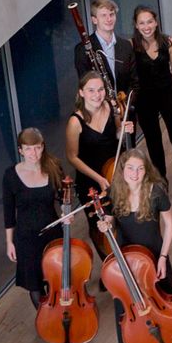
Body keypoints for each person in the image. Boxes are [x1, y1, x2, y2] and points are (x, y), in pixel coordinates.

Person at [97, 149, 172, 343]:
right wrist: (105, 224)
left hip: (154, 262)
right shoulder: (114, 194)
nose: (135, 173)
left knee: (160, 317)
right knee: (131, 319)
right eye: (130, 168)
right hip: (125, 268)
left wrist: (163, 257)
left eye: (140, 168)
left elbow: (170, 223)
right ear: (122, 170)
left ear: (146, 170)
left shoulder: (156, 192)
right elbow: (110, 221)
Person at [65, 72, 132, 257]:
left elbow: (116, 135)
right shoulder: (75, 122)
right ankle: (108, 261)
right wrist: (99, 179)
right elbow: (72, 157)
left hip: (114, 172)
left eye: (100, 89)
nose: (97, 94)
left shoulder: (111, 106)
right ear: (81, 92)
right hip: (91, 182)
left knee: (123, 217)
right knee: (100, 227)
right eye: (91, 90)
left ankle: (129, 255)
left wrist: (123, 130)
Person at [130, 7, 172, 196]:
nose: (146, 26)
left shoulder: (169, 42)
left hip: (169, 95)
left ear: (156, 22)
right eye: (142, 23)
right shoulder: (131, 46)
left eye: (150, 21)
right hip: (144, 100)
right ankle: (161, 179)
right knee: (153, 141)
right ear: (136, 25)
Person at [3, 128, 62, 308]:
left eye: (37, 148)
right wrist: (9, 242)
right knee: (35, 286)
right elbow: (8, 212)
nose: (33, 153)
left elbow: (63, 197)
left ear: (42, 147)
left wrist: (67, 214)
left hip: (52, 234)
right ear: (20, 150)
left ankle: (61, 315)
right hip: (26, 238)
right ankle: (46, 319)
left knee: (57, 280)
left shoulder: (53, 168)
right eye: (28, 149)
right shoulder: (11, 176)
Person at [71, 0, 138, 110]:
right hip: (99, 112)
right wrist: (107, 105)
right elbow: (86, 86)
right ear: (94, 20)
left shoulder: (126, 45)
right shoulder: (82, 49)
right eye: (103, 15)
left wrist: (123, 106)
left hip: (125, 110)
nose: (109, 19)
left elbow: (135, 82)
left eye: (112, 14)